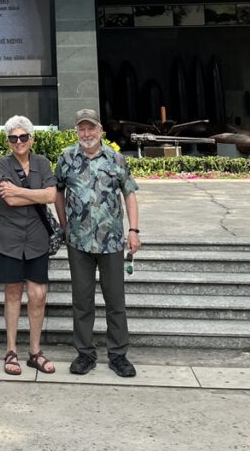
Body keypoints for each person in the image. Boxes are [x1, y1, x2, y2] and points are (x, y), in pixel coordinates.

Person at [54, 107, 141, 378]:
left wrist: (134, 230)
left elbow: (129, 194)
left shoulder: (115, 159)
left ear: (100, 130)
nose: (86, 133)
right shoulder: (67, 157)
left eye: (91, 128)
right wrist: (65, 225)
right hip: (78, 242)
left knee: (116, 301)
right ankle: (85, 354)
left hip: (112, 242)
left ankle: (118, 355)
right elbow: (57, 192)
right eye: (81, 128)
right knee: (82, 300)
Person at [0, 114, 57, 376]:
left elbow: (52, 195)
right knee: (13, 294)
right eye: (13, 138)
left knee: (38, 295)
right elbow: (9, 200)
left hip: (36, 238)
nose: (18, 141)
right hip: (8, 238)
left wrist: (21, 192)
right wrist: (35, 196)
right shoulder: (2, 163)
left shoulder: (42, 163)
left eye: (23, 137)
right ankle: (11, 350)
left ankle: (34, 351)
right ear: (8, 142)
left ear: (32, 139)